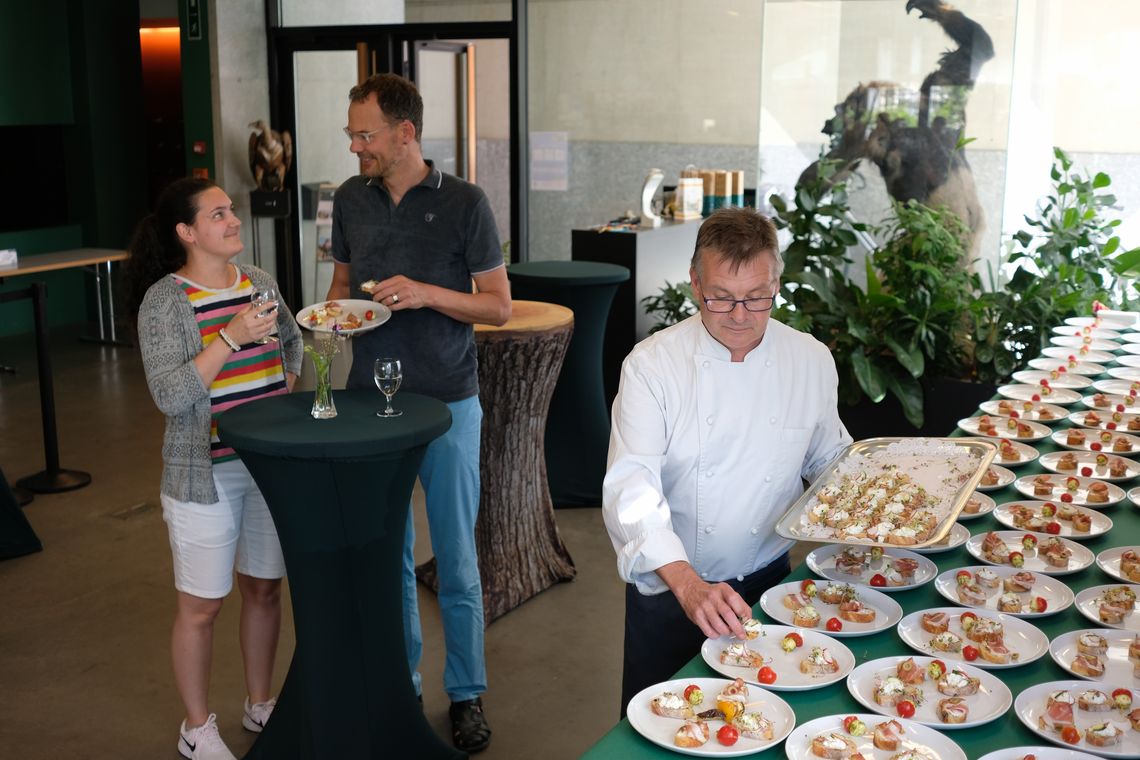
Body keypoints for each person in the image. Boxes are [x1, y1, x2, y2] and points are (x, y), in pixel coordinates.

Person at [602, 206, 852, 715]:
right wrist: (687, 584)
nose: (740, 315)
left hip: (769, 586)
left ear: (776, 284)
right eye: (721, 297)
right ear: (695, 284)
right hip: (673, 586)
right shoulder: (652, 366)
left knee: (764, 720)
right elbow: (632, 487)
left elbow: (831, 459)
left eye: (757, 297)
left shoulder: (809, 359)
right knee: (662, 726)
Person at [326, 73, 510, 754]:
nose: (355, 147)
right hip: (371, 404)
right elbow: (341, 286)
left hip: (449, 403)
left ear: (405, 132)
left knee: (456, 560)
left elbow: (497, 305)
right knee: (390, 559)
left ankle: (466, 694)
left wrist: (428, 294)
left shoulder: (465, 202)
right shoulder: (350, 199)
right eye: (351, 135)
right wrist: (330, 321)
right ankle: (401, 689)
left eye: (364, 135)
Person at [124, 177, 303, 760]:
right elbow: (171, 396)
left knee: (264, 589)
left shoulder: (260, 282)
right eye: (218, 214)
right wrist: (230, 336)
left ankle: (259, 702)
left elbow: (293, 343)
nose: (233, 220)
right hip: (204, 474)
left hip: (268, 470)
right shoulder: (165, 301)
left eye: (231, 210)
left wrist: (282, 393)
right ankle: (196, 728)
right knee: (202, 606)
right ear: (186, 231)